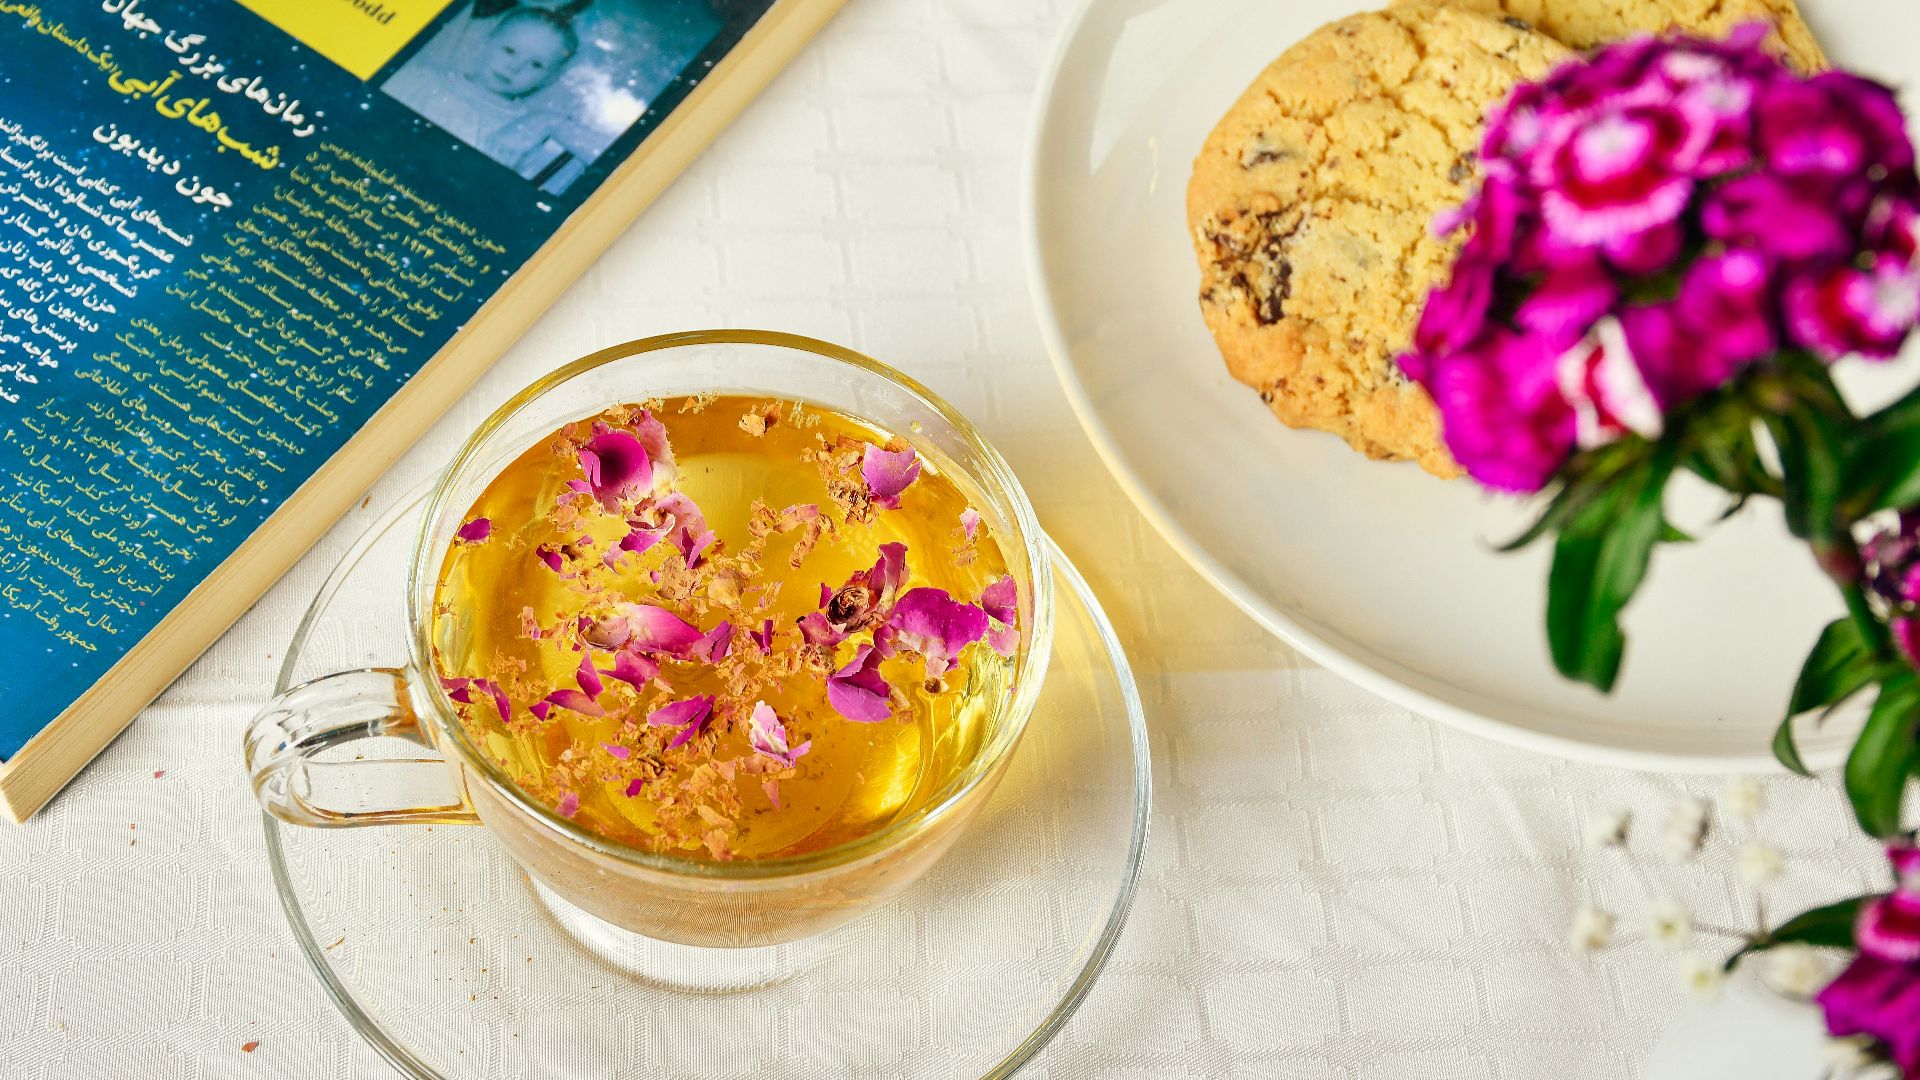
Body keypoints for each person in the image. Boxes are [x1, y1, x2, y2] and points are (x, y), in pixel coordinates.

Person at [383, 10, 578, 150]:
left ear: (548, 79)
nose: (514, 67)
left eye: (536, 64)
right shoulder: (421, 81)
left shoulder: (523, 127)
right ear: (487, 41)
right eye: (509, 51)